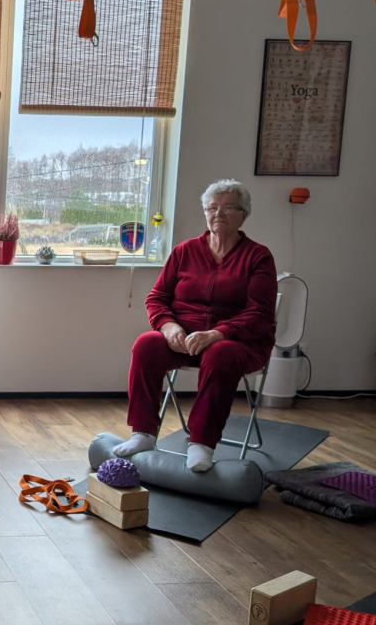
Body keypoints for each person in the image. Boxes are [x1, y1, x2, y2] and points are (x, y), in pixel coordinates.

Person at [114, 180, 277, 472]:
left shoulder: (258, 256)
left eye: (228, 208)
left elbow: (260, 313)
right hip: (184, 338)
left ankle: (202, 442)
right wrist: (168, 326)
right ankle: (143, 433)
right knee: (146, 344)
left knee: (220, 353)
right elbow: (157, 298)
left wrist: (218, 333)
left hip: (238, 343)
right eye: (212, 208)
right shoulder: (185, 251)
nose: (218, 214)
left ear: (244, 215)